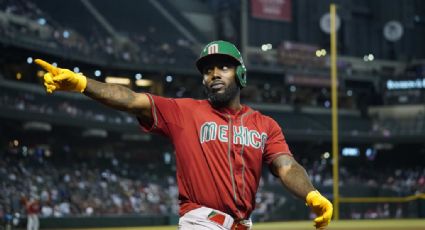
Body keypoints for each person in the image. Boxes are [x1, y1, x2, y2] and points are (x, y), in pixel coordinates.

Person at [34, 40, 333, 229]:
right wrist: (82, 83)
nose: (214, 74)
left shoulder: (265, 124)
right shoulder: (184, 111)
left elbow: (287, 166)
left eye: (223, 67)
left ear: (240, 74)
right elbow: (130, 99)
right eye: (207, 70)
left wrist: (312, 193)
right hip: (201, 222)